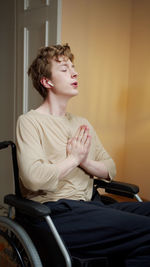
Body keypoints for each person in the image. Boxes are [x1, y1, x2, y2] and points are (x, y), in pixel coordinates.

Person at [16, 44, 150, 267]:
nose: (75, 72)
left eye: (73, 67)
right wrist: (73, 159)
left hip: (92, 206)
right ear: (47, 82)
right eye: (64, 69)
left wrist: (85, 161)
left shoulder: (81, 123)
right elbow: (34, 178)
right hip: (55, 213)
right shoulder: (29, 122)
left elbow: (110, 169)